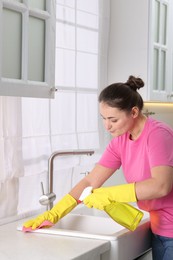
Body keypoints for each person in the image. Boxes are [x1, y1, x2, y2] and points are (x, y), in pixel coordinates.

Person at [24, 75, 173, 260]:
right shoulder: (120, 141)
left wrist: (110, 194)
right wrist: (55, 214)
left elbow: (161, 185)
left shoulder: (157, 135)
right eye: (103, 118)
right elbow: (90, 181)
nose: (107, 126)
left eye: (113, 119)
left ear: (134, 112)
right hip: (160, 227)